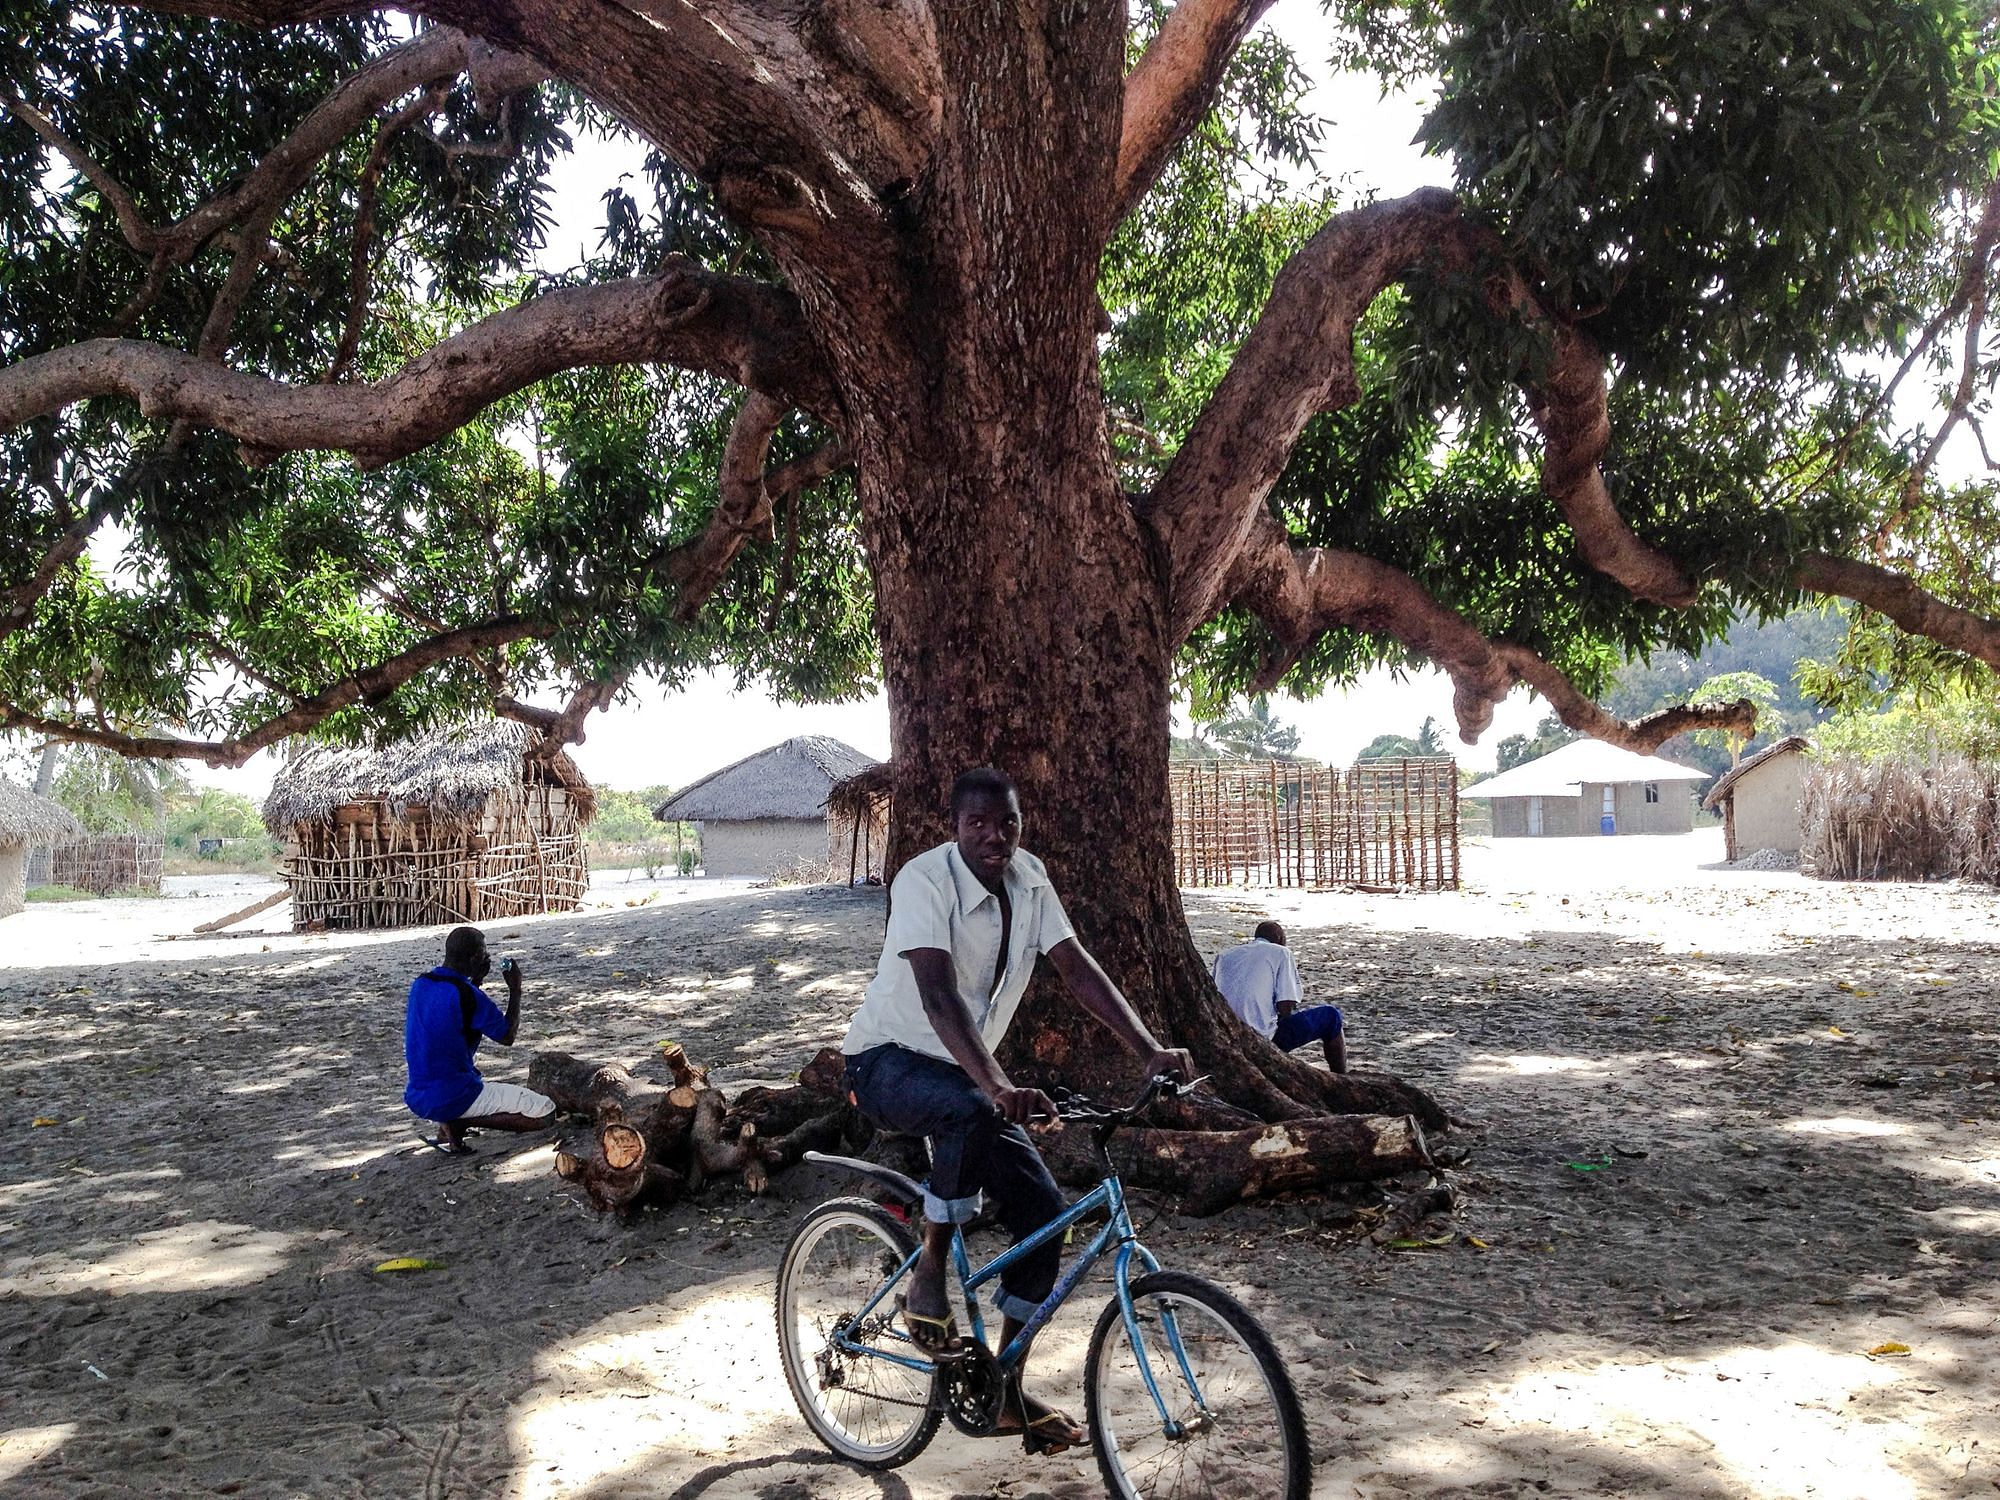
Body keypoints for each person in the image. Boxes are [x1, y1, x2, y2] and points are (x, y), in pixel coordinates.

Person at [841, 767, 1193, 1455]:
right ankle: (928, 1276)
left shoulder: (1030, 881)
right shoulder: (924, 880)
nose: (994, 837)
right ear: (954, 826)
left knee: (1043, 1216)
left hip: (963, 1074)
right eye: (978, 823)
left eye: (1007, 823)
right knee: (971, 1110)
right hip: (884, 1062)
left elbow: (1076, 965)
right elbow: (939, 998)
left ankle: (1002, 1388)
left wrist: (1149, 1049)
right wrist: (1000, 1085)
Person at [404, 926, 556, 1154]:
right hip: (455, 1094)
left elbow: (456, 1013)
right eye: (484, 955)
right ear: (475, 958)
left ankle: (452, 1124)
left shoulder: (422, 984)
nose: (487, 959)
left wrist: (475, 980)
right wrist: (515, 989)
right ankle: (459, 1123)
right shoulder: (470, 996)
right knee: (546, 1112)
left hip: (419, 1095)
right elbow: (507, 1036)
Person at [1212, 919, 1347, 1073]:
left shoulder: (1224, 956)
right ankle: (1341, 1074)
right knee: (1331, 1016)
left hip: (1225, 1035)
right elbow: (1285, 1006)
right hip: (1261, 1039)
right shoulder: (1281, 952)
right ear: (1280, 939)